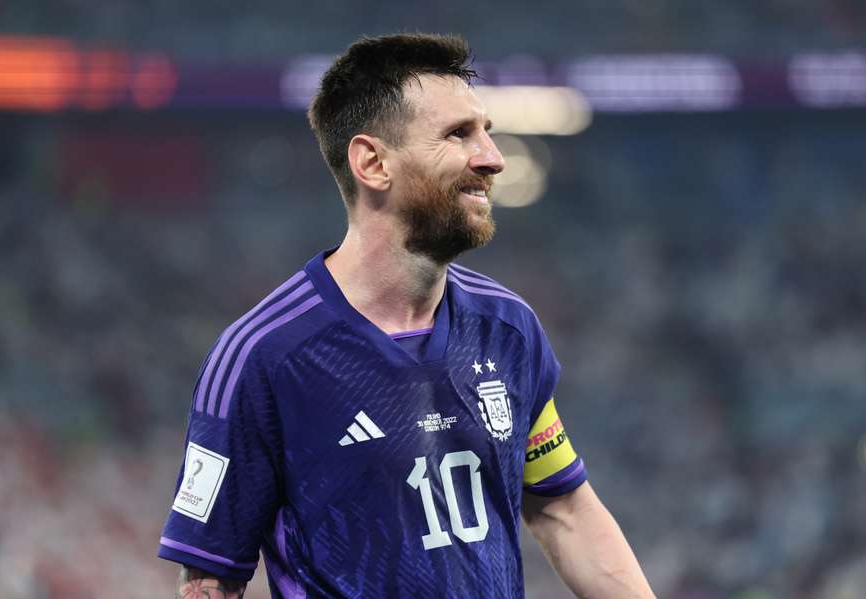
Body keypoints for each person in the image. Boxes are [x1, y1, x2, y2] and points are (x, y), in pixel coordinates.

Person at [159, 33, 656, 599]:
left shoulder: (508, 329)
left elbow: (563, 509)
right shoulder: (263, 357)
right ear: (372, 163)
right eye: (458, 135)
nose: (492, 158)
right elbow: (209, 580)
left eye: (486, 131)